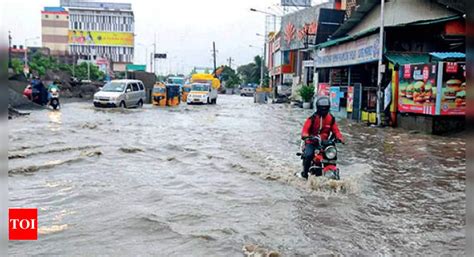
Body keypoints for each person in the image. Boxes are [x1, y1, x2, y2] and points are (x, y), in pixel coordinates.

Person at [299, 96, 344, 179]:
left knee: (333, 155)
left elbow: (336, 130)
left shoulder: (331, 119)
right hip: (312, 143)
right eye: (322, 108)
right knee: (308, 155)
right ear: (318, 108)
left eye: (325, 108)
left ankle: (332, 172)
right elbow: (304, 131)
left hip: (325, 144)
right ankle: (304, 174)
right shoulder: (312, 118)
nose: (324, 110)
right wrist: (307, 136)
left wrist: (340, 138)